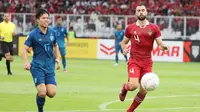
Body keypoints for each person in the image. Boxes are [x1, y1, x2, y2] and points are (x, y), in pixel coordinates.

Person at [119, 5, 169, 112]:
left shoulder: (154, 28)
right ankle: (125, 87)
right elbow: (123, 42)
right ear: (136, 13)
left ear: (146, 12)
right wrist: (124, 49)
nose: (141, 12)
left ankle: (129, 111)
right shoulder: (130, 28)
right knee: (133, 86)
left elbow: (159, 43)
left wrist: (163, 46)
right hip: (134, 61)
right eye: (138, 11)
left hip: (147, 63)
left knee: (144, 90)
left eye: (143, 10)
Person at [21, 8, 60, 112]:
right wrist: (26, 63)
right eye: (44, 18)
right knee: (42, 92)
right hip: (37, 66)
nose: (46, 20)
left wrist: (57, 59)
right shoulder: (33, 34)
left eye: (48, 18)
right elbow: (24, 49)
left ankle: (41, 91)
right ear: (38, 20)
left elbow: (55, 46)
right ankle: (40, 110)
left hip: (50, 67)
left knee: (51, 93)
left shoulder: (53, 32)